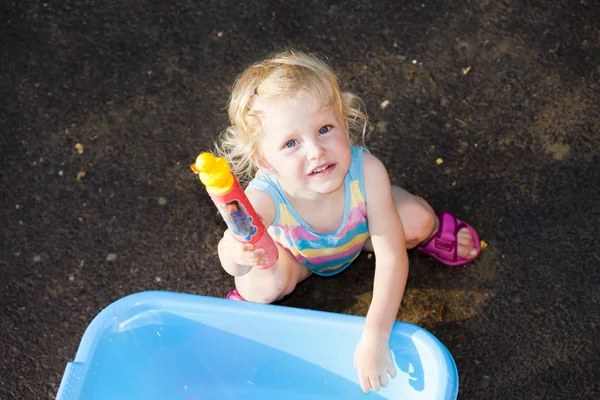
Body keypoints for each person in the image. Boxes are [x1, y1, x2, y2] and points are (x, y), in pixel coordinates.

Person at [214, 50, 481, 393]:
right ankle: (245, 311)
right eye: (291, 143)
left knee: (417, 220)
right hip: (301, 258)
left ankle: (425, 233)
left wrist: (376, 335)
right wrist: (235, 251)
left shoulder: (366, 170)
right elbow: (230, 262)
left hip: (361, 234)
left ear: (344, 121)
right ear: (263, 161)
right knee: (260, 285)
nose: (316, 151)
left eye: (325, 129)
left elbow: (391, 257)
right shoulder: (263, 198)